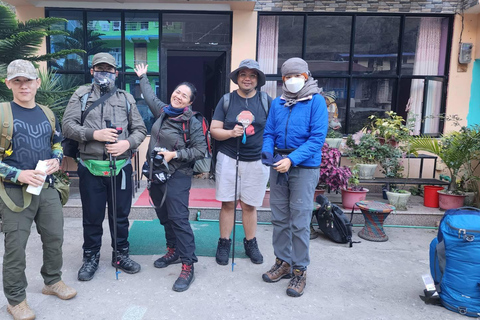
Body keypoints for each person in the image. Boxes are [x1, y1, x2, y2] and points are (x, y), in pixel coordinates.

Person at [1, 60, 77, 320]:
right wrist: (17, 173)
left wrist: (57, 158)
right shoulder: (2, 113)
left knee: (55, 238)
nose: (24, 86)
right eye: (17, 81)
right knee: (15, 248)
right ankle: (16, 300)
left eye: (28, 80)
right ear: (8, 83)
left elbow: (55, 141)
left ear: (37, 83)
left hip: (46, 187)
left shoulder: (46, 112)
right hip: (13, 192)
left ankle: (52, 281)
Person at [62, 53, 147, 281]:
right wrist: (93, 134)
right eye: (100, 68)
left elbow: (140, 129)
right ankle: (90, 257)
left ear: (116, 73)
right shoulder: (81, 95)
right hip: (91, 167)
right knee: (92, 216)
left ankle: (120, 254)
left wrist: (127, 144)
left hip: (120, 168)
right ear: (92, 71)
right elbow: (67, 126)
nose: (104, 73)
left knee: (120, 216)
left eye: (109, 69)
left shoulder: (126, 98)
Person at [134, 63, 206, 292]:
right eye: (177, 92)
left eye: (184, 95)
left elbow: (201, 150)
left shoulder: (192, 123)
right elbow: (148, 96)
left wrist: (175, 154)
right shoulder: (163, 111)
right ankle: (173, 251)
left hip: (178, 175)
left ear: (190, 102)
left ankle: (187, 265)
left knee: (179, 219)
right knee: (164, 216)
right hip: (156, 174)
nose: (179, 96)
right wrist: (143, 76)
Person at [262, 57, 328, 297]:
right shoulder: (279, 103)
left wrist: (292, 159)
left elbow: (317, 139)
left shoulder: (316, 102)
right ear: (282, 80)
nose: (292, 80)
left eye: (297, 76)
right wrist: (268, 154)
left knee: (299, 221)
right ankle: (283, 262)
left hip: (303, 168)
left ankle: (300, 270)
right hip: (279, 165)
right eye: (287, 77)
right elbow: (269, 132)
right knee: (279, 218)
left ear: (306, 76)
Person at [210, 59, 272, 266]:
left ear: (258, 80)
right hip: (229, 158)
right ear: (237, 78)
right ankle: (224, 243)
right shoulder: (227, 100)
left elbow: (274, 131)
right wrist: (230, 133)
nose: (247, 78)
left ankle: (250, 242)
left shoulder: (266, 101)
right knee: (228, 203)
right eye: (243, 74)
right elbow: (214, 130)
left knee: (250, 205)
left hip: (257, 160)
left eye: (252, 75)